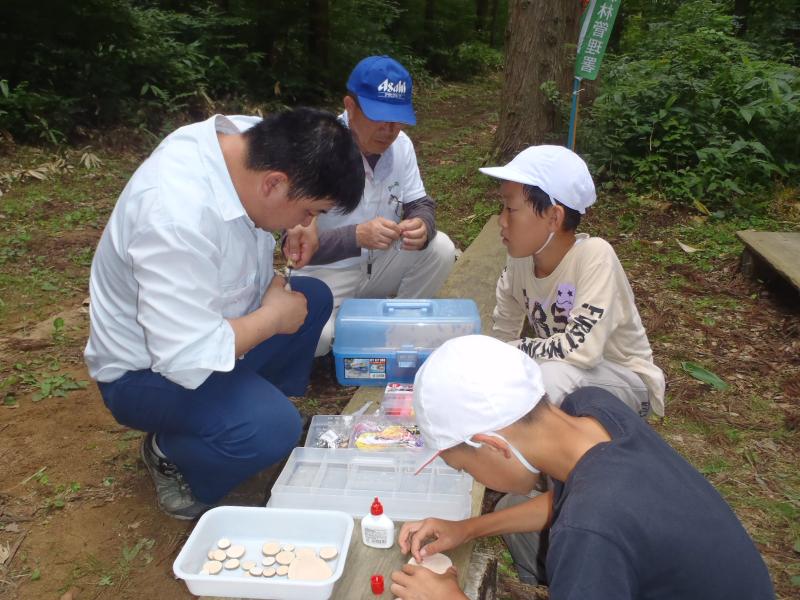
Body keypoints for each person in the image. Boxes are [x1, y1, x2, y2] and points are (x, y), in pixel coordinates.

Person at [84, 108, 364, 519]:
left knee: (313, 299)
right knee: (274, 426)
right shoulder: (173, 218)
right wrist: (273, 317)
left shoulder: (247, 143)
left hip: (211, 324)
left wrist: (299, 226)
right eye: (311, 211)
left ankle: (244, 411)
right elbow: (184, 356)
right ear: (274, 184)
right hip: (145, 372)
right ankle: (172, 454)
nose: (310, 222)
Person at [391, 335, 775, 600]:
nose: (474, 479)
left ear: (494, 446)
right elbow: (564, 500)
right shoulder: (590, 409)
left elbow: (587, 518)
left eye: (466, 469)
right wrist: (468, 528)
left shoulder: (589, 530)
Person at [286, 55, 457, 356]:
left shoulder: (400, 145)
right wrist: (356, 237)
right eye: (379, 116)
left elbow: (419, 201)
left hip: (377, 267)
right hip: (325, 274)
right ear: (350, 108)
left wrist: (421, 223)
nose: (389, 129)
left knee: (440, 248)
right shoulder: (316, 149)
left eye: (397, 119)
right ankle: (350, 330)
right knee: (317, 341)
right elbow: (293, 246)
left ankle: (397, 330)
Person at [482, 145, 665, 416]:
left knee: (550, 377)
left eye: (511, 208)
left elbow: (583, 352)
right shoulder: (518, 263)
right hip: (562, 372)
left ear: (554, 217)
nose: (501, 220)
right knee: (528, 373)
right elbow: (503, 336)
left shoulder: (594, 256)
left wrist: (514, 349)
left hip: (626, 382)